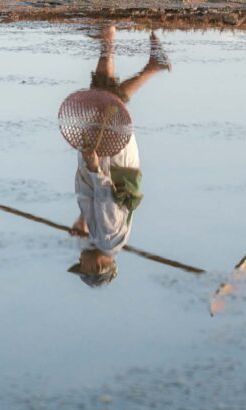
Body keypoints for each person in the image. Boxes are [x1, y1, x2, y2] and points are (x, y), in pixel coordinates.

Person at [67, 25, 171, 287]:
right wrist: (93, 168)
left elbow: (93, 204)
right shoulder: (109, 239)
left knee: (103, 96)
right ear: (101, 265)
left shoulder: (98, 240)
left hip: (104, 159)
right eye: (85, 266)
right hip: (110, 161)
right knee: (106, 100)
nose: (81, 260)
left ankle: (122, 47)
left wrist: (82, 221)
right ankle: (116, 41)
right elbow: (107, 198)